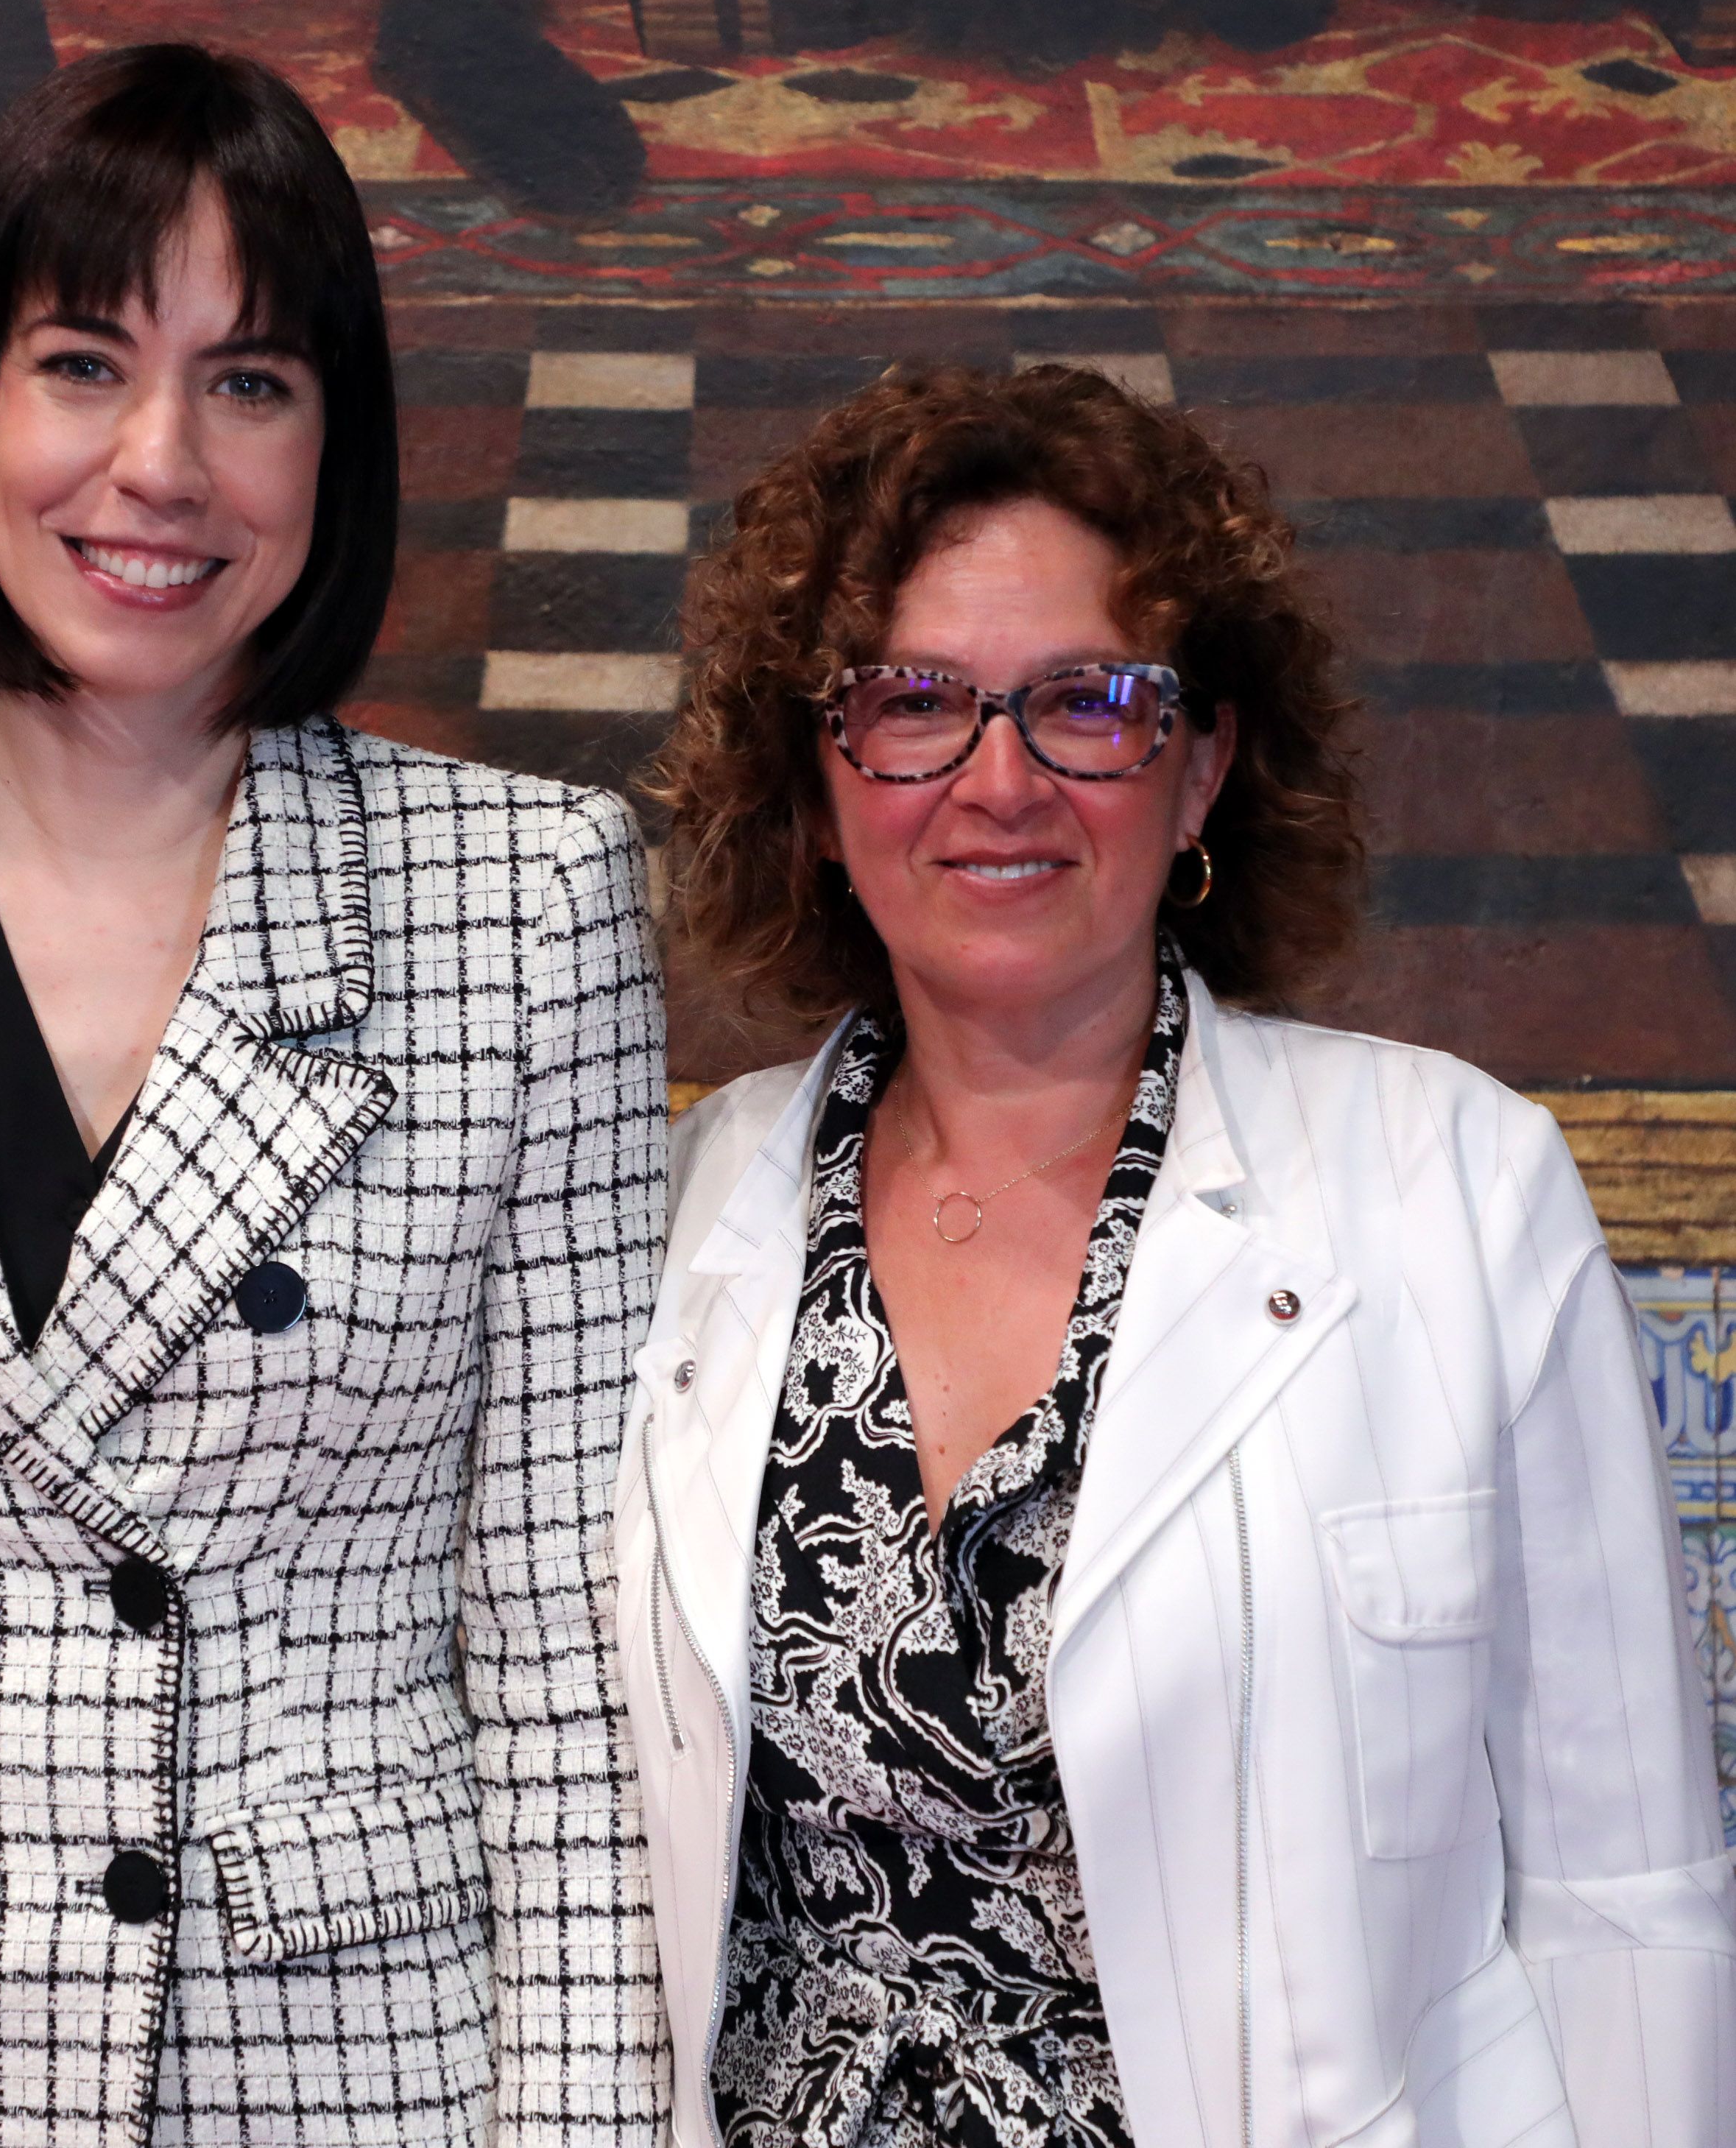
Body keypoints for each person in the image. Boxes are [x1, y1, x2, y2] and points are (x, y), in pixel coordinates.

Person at [0, 42, 670, 2146]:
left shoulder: (528, 898)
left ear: (334, 444)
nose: (162, 464)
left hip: (340, 2067)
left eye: (252, 383)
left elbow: (573, 1660)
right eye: (84, 364)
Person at [619, 362, 1736, 2148]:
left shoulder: (1457, 1189)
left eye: (1089, 704)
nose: (1000, 780)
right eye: (914, 705)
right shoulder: (678, 1206)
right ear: (818, 786)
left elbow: (1631, 1895)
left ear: (1204, 761)